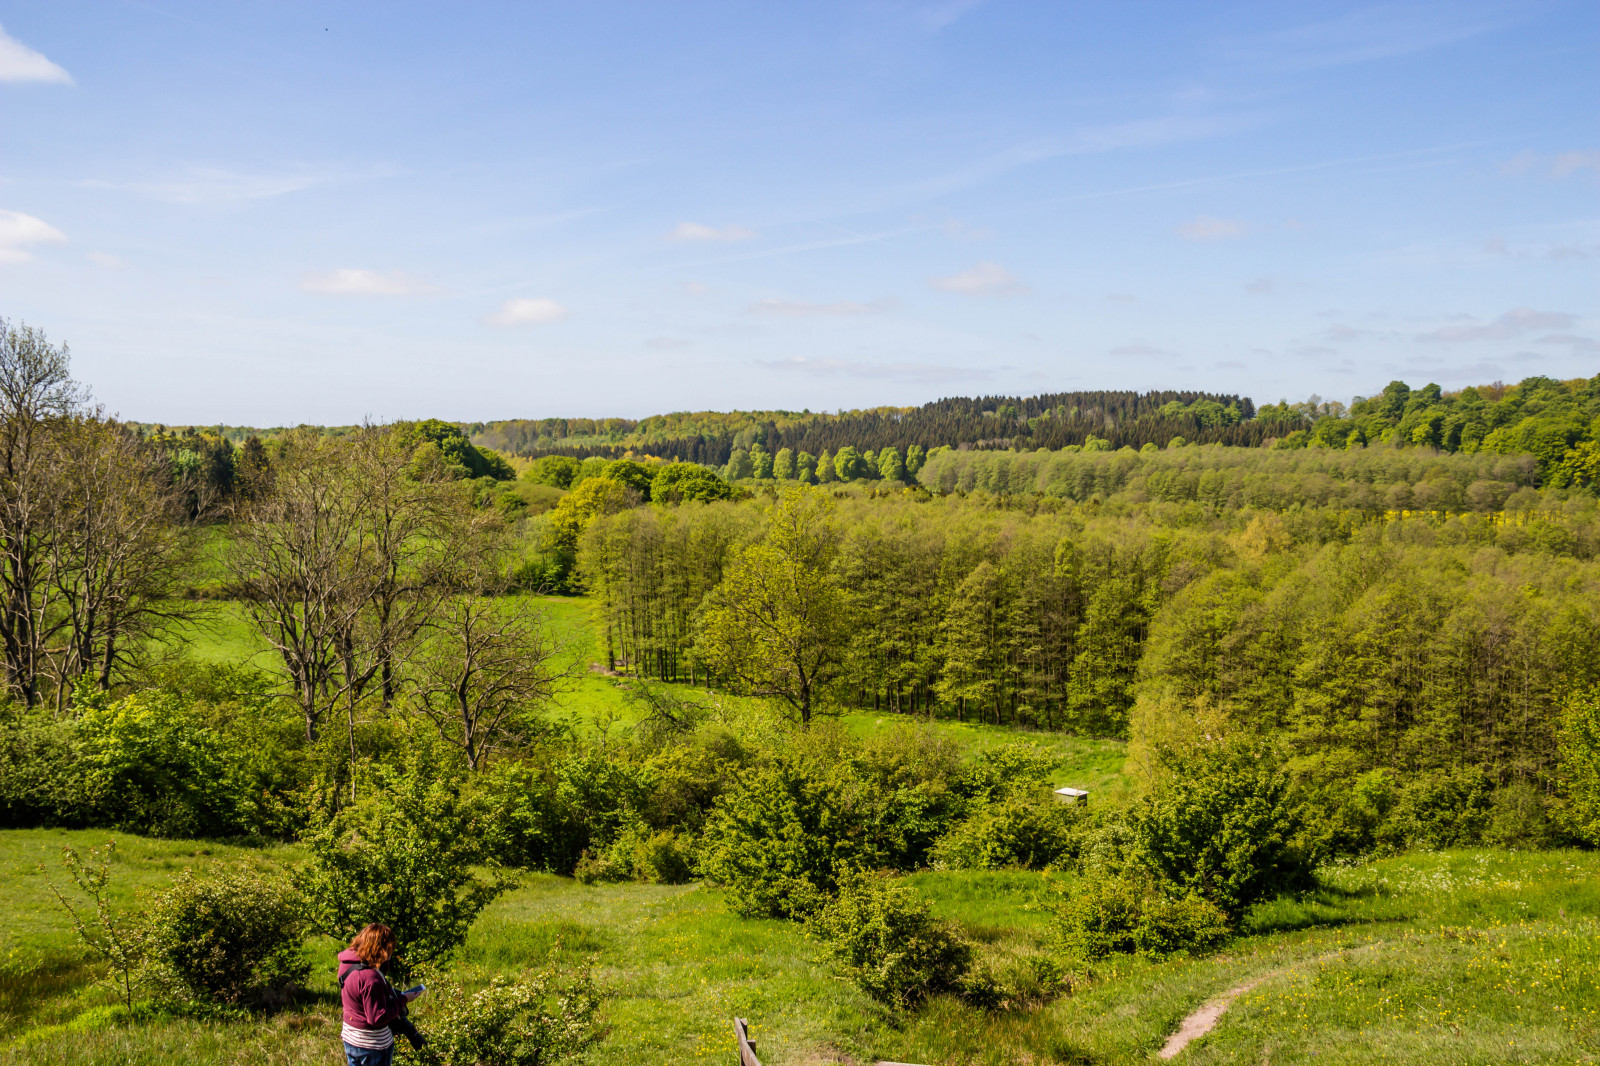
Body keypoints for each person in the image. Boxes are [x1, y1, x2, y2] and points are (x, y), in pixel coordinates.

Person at [337, 923, 426, 1066]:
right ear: (381, 949)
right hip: (372, 1045)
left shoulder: (347, 964)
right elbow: (377, 1018)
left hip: (350, 1037)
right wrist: (404, 999)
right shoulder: (370, 978)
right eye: (389, 950)